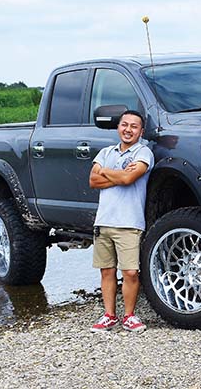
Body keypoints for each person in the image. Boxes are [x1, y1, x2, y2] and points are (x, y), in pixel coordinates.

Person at [88, 110, 154, 333]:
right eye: (124, 125)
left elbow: (128, 179)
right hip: (104, 220)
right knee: (107, 271)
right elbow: (93, 181)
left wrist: (106, 172)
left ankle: (129, 316)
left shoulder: (143, 152)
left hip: (130, 222)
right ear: (118, 127)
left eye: (134, 126)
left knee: (130, 273)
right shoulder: (106, 151)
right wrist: (117, 174)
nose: (128, 129)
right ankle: (109, 315)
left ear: (141, 131)